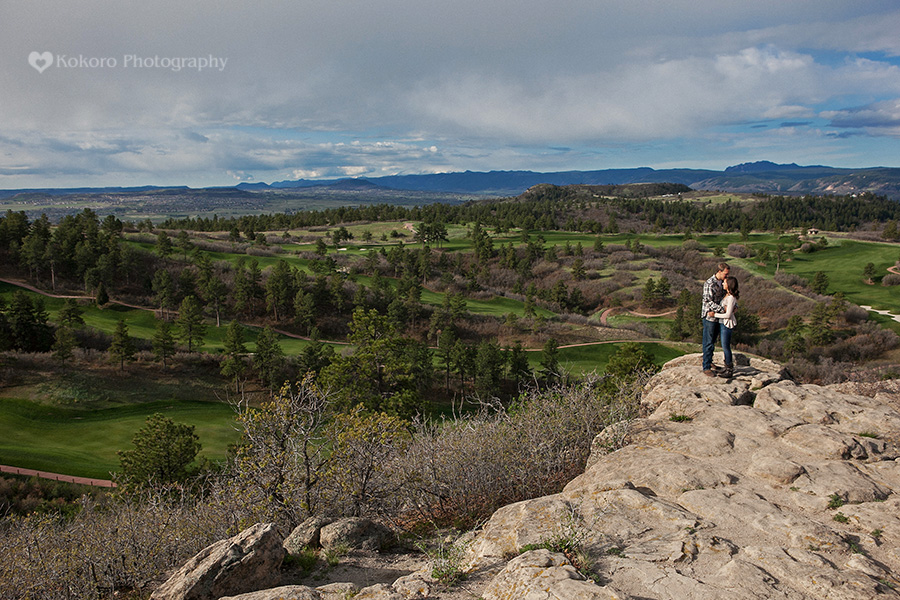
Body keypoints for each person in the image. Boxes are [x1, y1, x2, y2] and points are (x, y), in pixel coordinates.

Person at [701, 262, 729, 376]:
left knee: (713, 341)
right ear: (719, 271)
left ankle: (710, 361)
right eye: (725, 274)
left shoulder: (723, 283)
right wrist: (723, 310)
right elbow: (708, 301)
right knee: (708, 342)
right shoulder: (709, 283)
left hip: (717, 316)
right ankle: (706, 366)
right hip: (710, 316)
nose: (726, 277)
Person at [713, 276, 739, 378]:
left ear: (729, 285)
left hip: (726, 324)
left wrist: (714, 315)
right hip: (723, 323)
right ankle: (726, 366)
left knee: (726, 347)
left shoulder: (731, 298)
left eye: (724, 283)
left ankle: (729, 369)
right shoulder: (727, 296)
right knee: (724, 346)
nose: (723, 284)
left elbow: (728, 315)